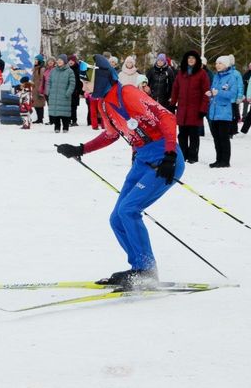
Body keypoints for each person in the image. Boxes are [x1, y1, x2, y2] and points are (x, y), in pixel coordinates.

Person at [55, 54, 184, 288]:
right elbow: (111, 134)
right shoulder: (104, 102)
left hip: (165, 158)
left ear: (100, 79)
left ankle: (146, 270)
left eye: (86, 81)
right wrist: (81, 149)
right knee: (117, 218)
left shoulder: (128, 94)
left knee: (129, 209)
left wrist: (170, 154)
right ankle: (139, 268)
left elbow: (167, 116)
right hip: (143, 160)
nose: (83, 85)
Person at [170, 50, 210, 164]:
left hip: (195, 110)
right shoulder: (181, 73)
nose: (191, 60)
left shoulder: (202, 74)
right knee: (182, 135)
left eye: (193, 58)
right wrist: (172, 104)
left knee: (194, 135)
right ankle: (183, 155)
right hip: (182, 110)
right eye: (189, 58)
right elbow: (175, 89)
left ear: (197, 60)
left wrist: (203, 109)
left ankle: (193, 156)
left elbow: (206, 93)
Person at [206, 56, 238, 168]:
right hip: (214, 112)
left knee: (223, 138)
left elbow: (232, 94)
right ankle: (218, 159)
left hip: (224, 113)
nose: (217, 65)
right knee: (216, 138)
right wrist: (210, 93)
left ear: (226, 65)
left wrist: (218, 93)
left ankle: (225, 161)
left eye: (220, 63)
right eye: (216, 63)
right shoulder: (216, 77)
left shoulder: (231, 78)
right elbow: (213, 90)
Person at [48, 54, 76, 133]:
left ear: (65, 61)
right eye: (58, 60)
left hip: (64, 95)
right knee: (56, 112)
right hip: (54, 94)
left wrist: (68, 92)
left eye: (61, 60)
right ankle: (57, 127)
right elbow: (49, 82)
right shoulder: (53, 71)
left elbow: (72, 83)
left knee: (64, 112)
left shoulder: (69, 71)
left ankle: (65, 127)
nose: (59, 61)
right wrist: (49, 91)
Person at [227, 54, 244, 136]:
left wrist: (240, 96)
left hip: (234, 99)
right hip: (226, 98)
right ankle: (227, 130)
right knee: (227, 115)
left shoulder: (237, 73)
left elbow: (240, 85)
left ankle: (234, 130)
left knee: (234, 115)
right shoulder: (223, 72)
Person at [68, 54, 82, 126]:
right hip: (68, 90)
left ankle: (74, 120)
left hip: (75, 90)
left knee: (74, 106)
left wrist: (79, 90)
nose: (70, 62)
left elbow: (80, 81)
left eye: (72, 61)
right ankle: (68, 120)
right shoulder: (67, 69)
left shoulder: (78, 69)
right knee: (68, 106)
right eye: (69, 60)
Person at [32, 54, 46, 124]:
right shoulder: (36, 68)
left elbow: (42, 80)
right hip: (35, 88)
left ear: (39, 61)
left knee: (40, 104)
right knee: (36, 104)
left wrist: (41, 89)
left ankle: (40, 119)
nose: (35, 61)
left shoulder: (41, 69)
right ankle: (39, 118)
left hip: (39, 89)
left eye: (36, 60)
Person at [42, 56, 55, 125]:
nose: (50, 62)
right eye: (49, 61)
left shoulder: (56, 69)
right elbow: (44, 81)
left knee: (53, 106)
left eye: (52, 61)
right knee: (49, 106)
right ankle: (51, 120)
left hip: (53, 90)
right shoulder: (46, 70)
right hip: (46, 91)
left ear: (54, 62)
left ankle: (55, 120)